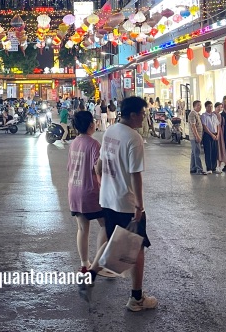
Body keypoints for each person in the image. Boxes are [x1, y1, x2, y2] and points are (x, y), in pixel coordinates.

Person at [80, 96, 156, 311]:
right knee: (137, 247)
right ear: (133, 115)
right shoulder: (134, 138)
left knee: (113, 238)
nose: (144, 117)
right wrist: (139, 206)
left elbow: (99, 166)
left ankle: (91, 275)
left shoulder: (110, 132)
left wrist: (105, 185)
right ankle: (136, 298)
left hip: (108, 199)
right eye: (142, 114)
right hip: (126, 202)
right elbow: (135, 175)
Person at [67, 110, 107, 273]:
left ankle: (85, 264)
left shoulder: (74, 143)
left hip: (74, 190)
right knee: (106, 225)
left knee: (82, 229)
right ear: (91, 125)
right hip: (90, 192)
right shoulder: (94, 144)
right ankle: (98, 264)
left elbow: (70, 167)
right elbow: (98, 169)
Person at [201, 101, 220, 174]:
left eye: (211, 106)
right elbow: (205, 126)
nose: (210, 108)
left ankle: (214, 167)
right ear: (206, 107)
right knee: (208, 151)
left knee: (214, 151)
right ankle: (209, 168)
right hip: (208, 135)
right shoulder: (204, 116)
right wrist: (211, 135)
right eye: (209, 106)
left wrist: (217, 134)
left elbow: (218, 125)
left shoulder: (214, 115)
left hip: (215, 134)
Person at [188, 100, 206, 174]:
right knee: (197, 153)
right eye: (198, 105)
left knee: (194, 153)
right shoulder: (192, 114)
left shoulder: (197, 114)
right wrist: (197, 136)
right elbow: (193, 126)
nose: (200, 106)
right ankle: (199, 169)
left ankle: (193, 168)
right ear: (194, 106)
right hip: (194, 137)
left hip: (197, 136)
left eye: (200, 105)